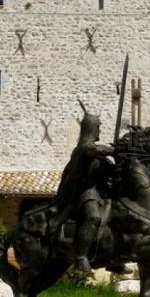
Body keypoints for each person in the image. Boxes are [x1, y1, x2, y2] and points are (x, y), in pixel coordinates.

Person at [52, 106, 114, 273]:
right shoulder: (84, 148)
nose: (99, 130)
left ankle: (114, 259)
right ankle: (82, 257)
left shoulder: (97, 153)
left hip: (103, 194)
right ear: (91, 129)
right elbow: (96, 149)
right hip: (86, 191)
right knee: (93, 217)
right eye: (98, 127)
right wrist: (115, 149)